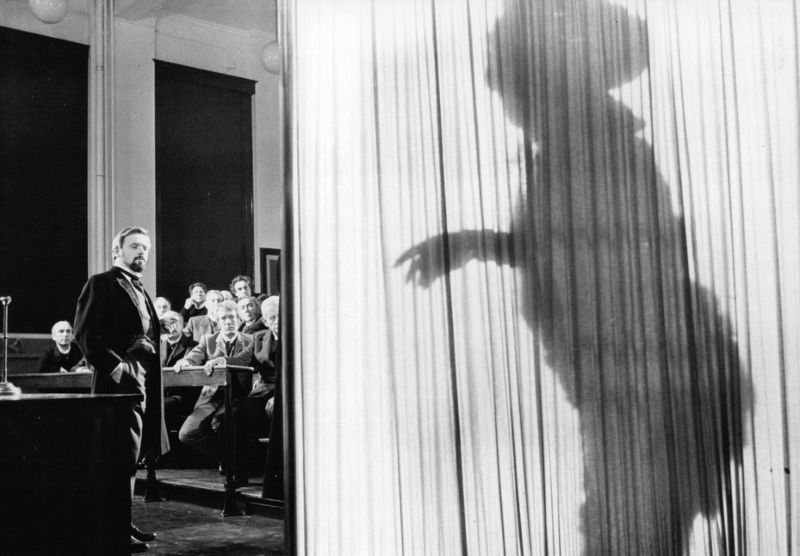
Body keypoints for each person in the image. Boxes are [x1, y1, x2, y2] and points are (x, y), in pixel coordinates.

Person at [73, 226, 168, 554]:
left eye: (146, 248)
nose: (142, 252)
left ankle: (122, 521)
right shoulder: (101, 282)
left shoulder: (141, 288)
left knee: (130, 458)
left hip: (143, 383)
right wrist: (118, 369)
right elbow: (85, 334)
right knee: (116, 458)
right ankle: (113, 530)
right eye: (135, 246)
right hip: (118, 386)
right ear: (117, 251)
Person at [174, 300, 255, 482]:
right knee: (187, 433)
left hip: (238, 397)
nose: (228, 322)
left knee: (222, 421)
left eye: (232, 317)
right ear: (218, 321)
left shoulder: (251, 340)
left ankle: (236, 466)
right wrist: (185, 362)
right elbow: (194, 357)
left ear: (239, 319)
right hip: (211, 397)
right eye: (224, 318)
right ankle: (229, 459)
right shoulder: (208, 340)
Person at [159, 311, 199, 418]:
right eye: (165, 322)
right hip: (160, 395)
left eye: (173, 321)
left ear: (182, 325)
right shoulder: (156, 347)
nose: (169, 325)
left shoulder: (194, 347)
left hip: (182, 396)